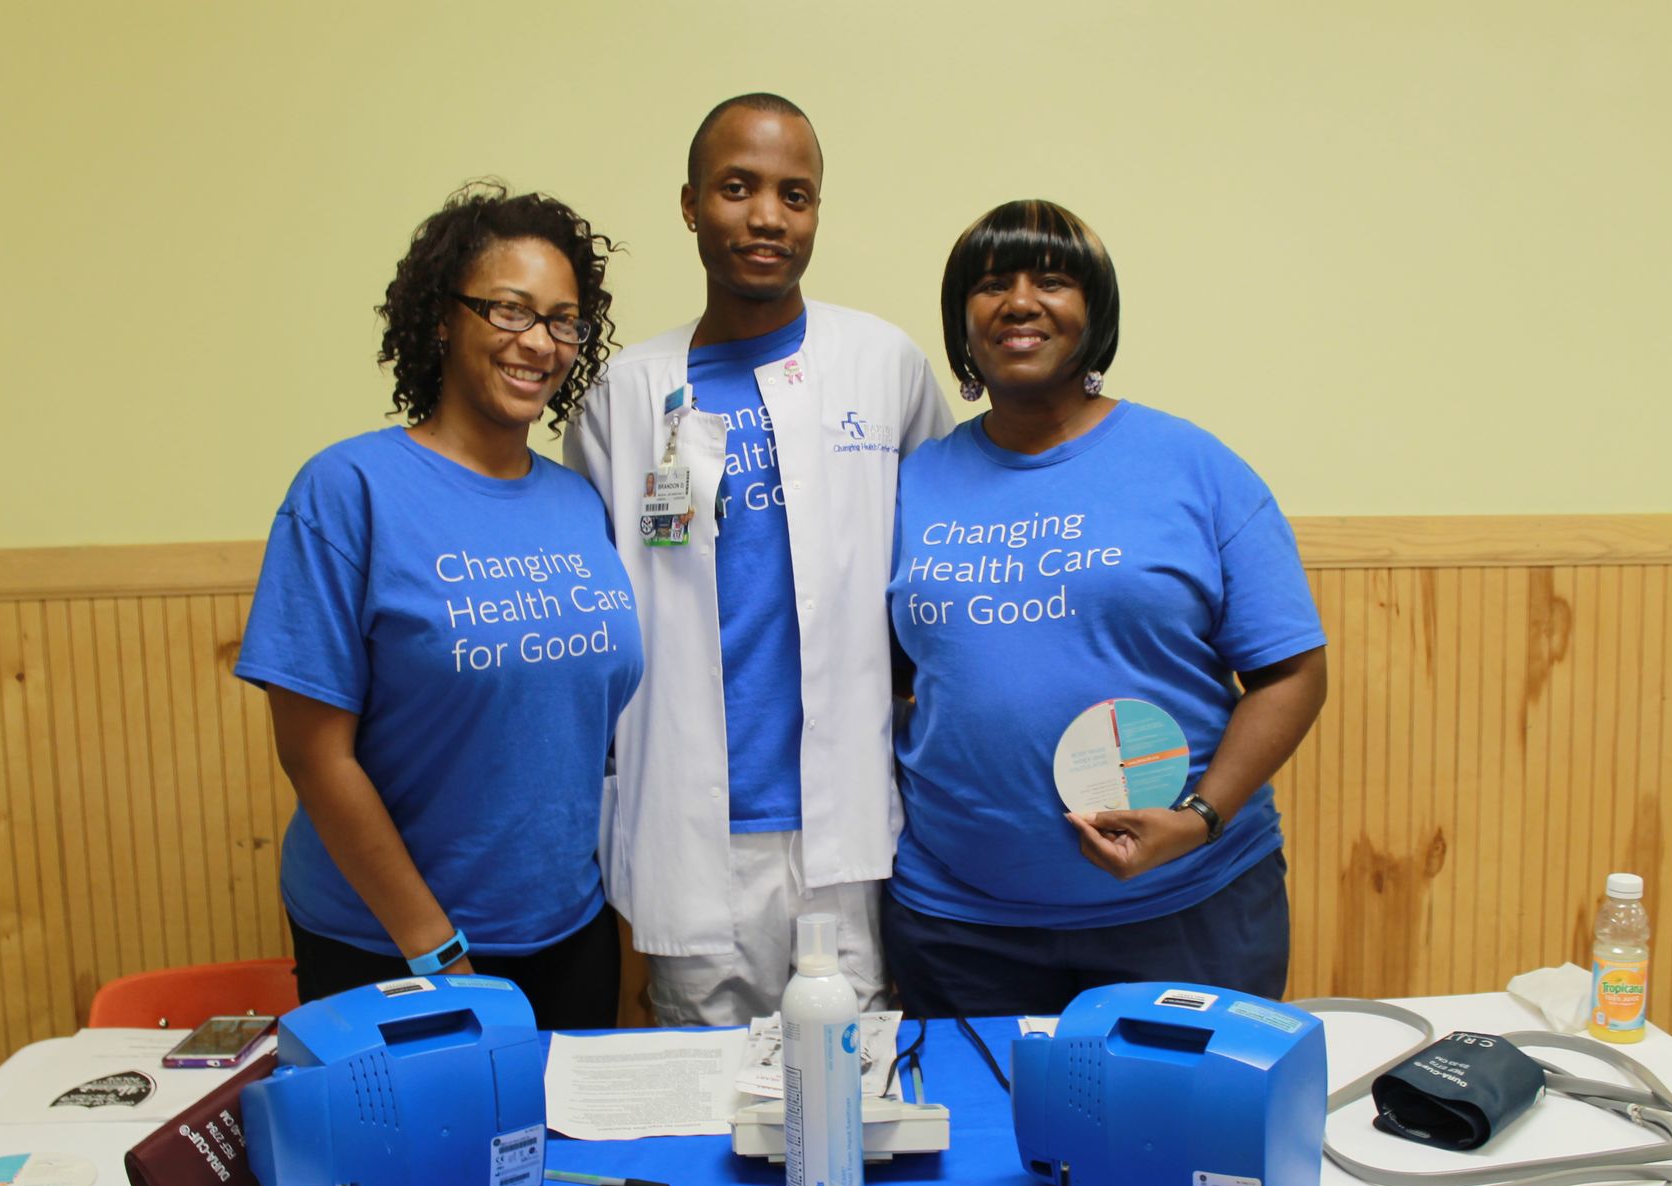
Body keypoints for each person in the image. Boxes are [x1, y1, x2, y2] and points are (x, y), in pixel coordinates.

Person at [883, 199, 1328, 1016]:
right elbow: (899, 673)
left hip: (1187, 911)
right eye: (990, 286)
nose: (1019, 302)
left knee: (1185, 1144)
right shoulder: (910, 486)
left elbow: (1292, 672)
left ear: (1095, 313)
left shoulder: (1194, 467)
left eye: (1051, 280)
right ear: (962, 323)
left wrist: (1198, 818)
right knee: (980, 1142)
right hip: (962, 927)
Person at [565, 93, 953, 1026]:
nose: (768, 216)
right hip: (691, 830)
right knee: (706, 1106)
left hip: (847, 824)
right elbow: (604, 609)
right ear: (692, 203)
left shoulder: (883, 365)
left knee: (852, 1100)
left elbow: (930, 565)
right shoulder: (625, 395)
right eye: (738, 188)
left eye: (796, 193)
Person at [235, 182, 643, 1027]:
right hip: (393, 948)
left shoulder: (578, 503)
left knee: (560, 1161)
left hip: (569, 930)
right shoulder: (347, 490)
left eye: (564, 320)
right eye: (510, 311)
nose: (540, 342)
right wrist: (438, 950)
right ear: (439, 320)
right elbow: (316, 757)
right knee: (418, 1164)